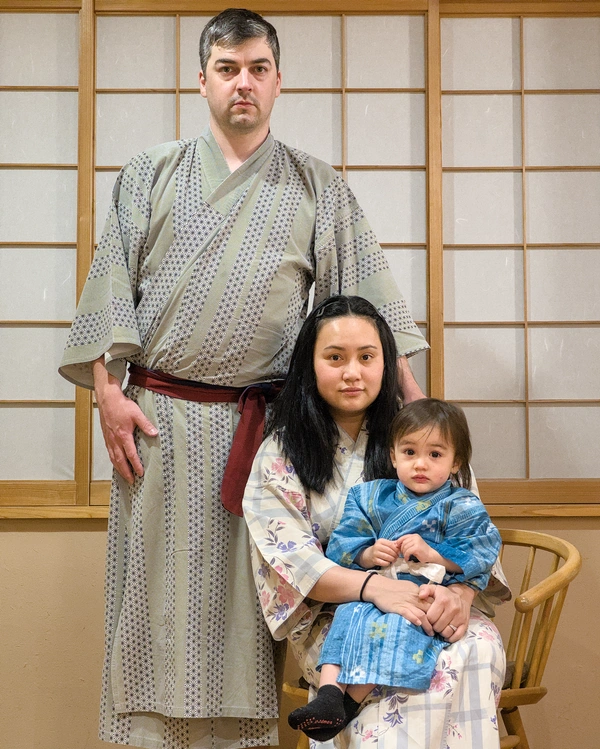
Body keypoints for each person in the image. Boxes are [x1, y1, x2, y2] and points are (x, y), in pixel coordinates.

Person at [58, 9, 428, 749]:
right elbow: (111, 291)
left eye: (258, 69)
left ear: (278, 81)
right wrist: (108, 395)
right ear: (202, 81)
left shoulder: (317, 186)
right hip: (157, 420)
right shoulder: (149, 174)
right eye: (228, 70)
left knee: (249, 605)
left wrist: (417, 412)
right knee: (153, 603)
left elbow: (366, 314)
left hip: (271, 438)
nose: (243, 83)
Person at [244, 296, 511, 749]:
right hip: (340, 615)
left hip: (435, 593)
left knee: (476, 647)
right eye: (335, 358)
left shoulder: (424, 437)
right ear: (310, 366)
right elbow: (294, 563)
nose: (353, 372)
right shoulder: (282, 452)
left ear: (386, 362)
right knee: (411, 666)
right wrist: (376, 588)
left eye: (367, 357)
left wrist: (460, 595)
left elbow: (475, 536)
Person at [287, 398, 502, 741]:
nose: (421, 464)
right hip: (375, 586)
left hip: (424, 593)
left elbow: (483, 549)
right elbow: (343, 545)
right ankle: (329, 695)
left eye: (435, 455)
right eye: (409, 452)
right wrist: (368, 553)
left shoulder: (461, 504)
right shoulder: (370, 496)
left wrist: (435, 553)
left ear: (455, 461)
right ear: (392, 455)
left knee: (400, 628)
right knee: (348, 615)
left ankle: (348, 705)